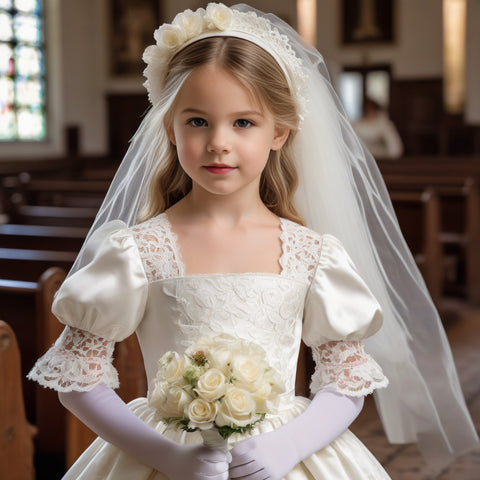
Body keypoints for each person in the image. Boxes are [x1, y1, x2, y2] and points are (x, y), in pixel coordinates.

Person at [28, 3, 478, 479]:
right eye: (197, 121)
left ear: (279, 132)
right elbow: (78, 378)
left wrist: (290, 446)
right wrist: (166, 456)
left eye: (243, 122)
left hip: (284, 457)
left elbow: (345, 377)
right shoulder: (136, 252)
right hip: (166, 460)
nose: (219, 142)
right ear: (170, 128)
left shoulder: (311, 254)